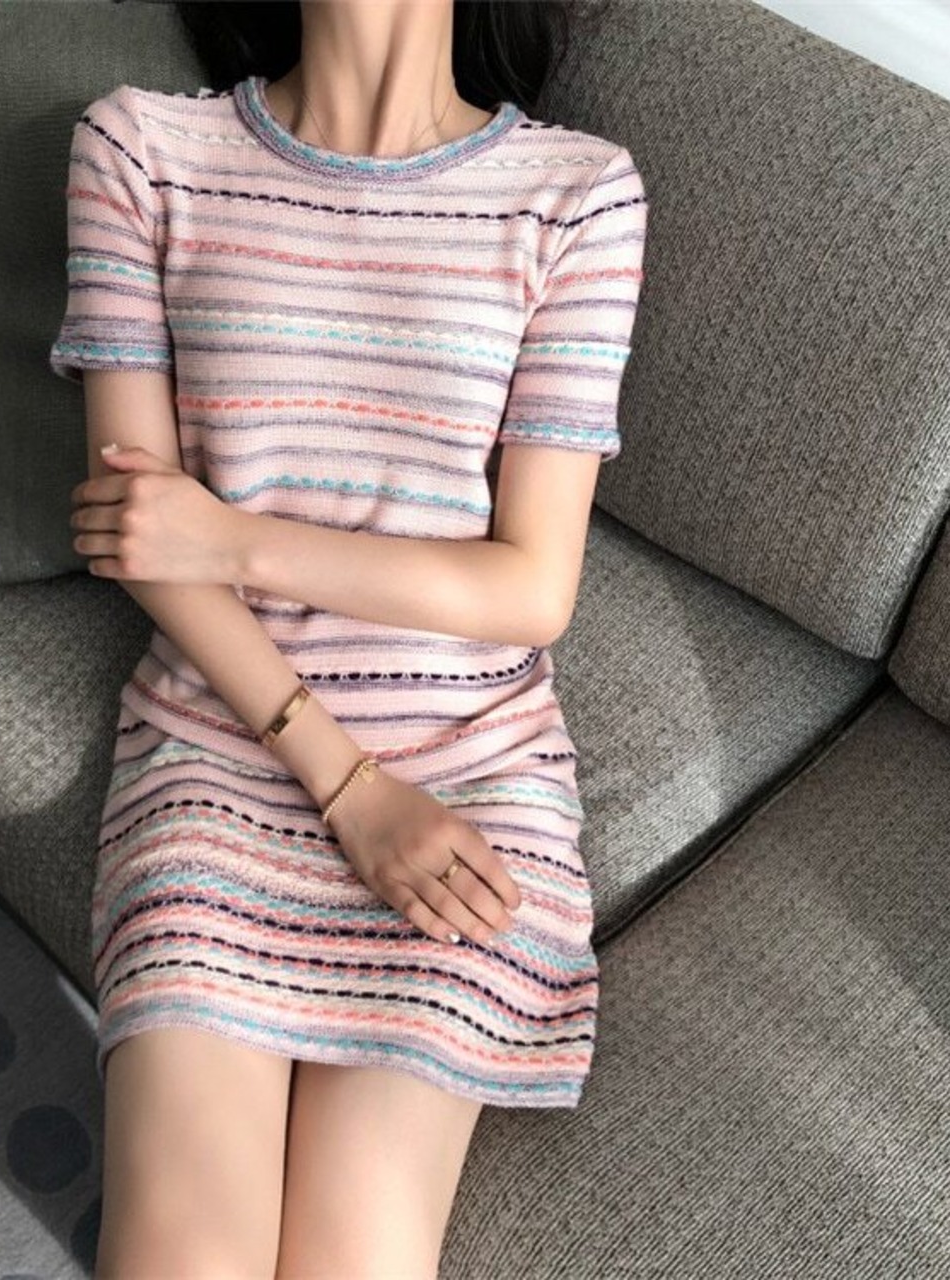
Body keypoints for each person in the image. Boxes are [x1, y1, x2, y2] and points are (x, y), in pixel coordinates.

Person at [50, 1, 648, 1274]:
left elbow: (530, 587)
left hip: (465, 772)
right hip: (223, 751)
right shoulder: (140, 149)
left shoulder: (578, 196)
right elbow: (143, 534)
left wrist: (233, 539)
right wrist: (343, 781)